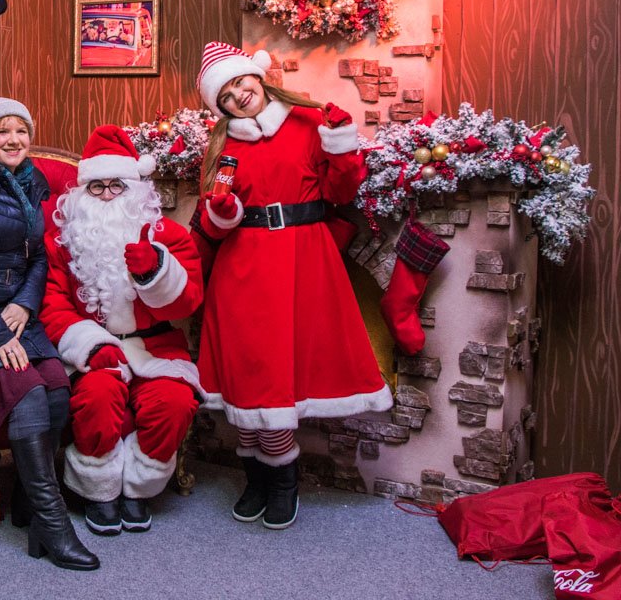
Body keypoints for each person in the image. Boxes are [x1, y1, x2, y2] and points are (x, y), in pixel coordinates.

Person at [192, 42, 393, 531]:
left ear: (259, 79)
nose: (240, 96)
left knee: (289, 371)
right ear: (219, 107)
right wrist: (222, 214)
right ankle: (256, 476)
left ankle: (283, 481)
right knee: (248, 373)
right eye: (227, 96)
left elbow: (342, 192)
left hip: (305, 259)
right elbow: (213, 224)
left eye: (242, 83)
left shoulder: (306, 123)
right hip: (244, 267)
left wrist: (342, 140)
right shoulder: (223, 147)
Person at [0, 98, 99, 571]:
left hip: (16, 313)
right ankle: (54, 526)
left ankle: (29, 508)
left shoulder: (32, 180)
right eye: (1, 131)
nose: (13, 140)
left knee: (56, 390)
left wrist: (25, 304)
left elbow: (38, 258)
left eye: (21, 130)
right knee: (29, 395)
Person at [41, 125, 206, 536]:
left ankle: (138, 488)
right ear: (82, 193)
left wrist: (155, 271)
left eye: (117, 185)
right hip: (92, 348)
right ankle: (99, 491)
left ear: (134, 189)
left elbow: (190, 301)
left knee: (172, 403)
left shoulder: (167, 236)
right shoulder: (64, 239)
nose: (108, 195)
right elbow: (52, 302)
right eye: (97, 188)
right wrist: (90, 346)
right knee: (97, 396)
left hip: (156, 348)